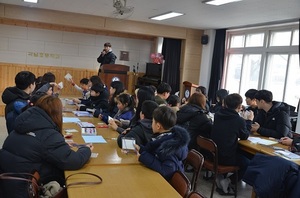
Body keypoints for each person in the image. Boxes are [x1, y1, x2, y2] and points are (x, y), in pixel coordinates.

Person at [0, 95, 93, 197]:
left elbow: (36, 144)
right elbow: (73, 161)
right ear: (57, 114)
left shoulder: (23, 124)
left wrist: (61, 144)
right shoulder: (48, 135)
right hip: (25, 189)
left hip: (7, 186)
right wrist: (86, 149)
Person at [134, 106, 190, 181]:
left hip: (167, 184)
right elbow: (155, 153)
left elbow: (166, 171)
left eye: (153, 121)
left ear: (158, 126)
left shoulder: (169, 147)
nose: (151, 124)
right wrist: (141, 149)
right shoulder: (165, 137)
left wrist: (143, 157)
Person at [211, 93, 252, 195]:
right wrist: (249, 121)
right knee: (247, 163)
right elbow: (244, 136)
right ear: (239, 106)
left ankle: (221, 178)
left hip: (213, 154)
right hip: (226, 156)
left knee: (240, 153)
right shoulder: (238, 120)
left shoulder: (218, 115)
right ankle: (229, 181)